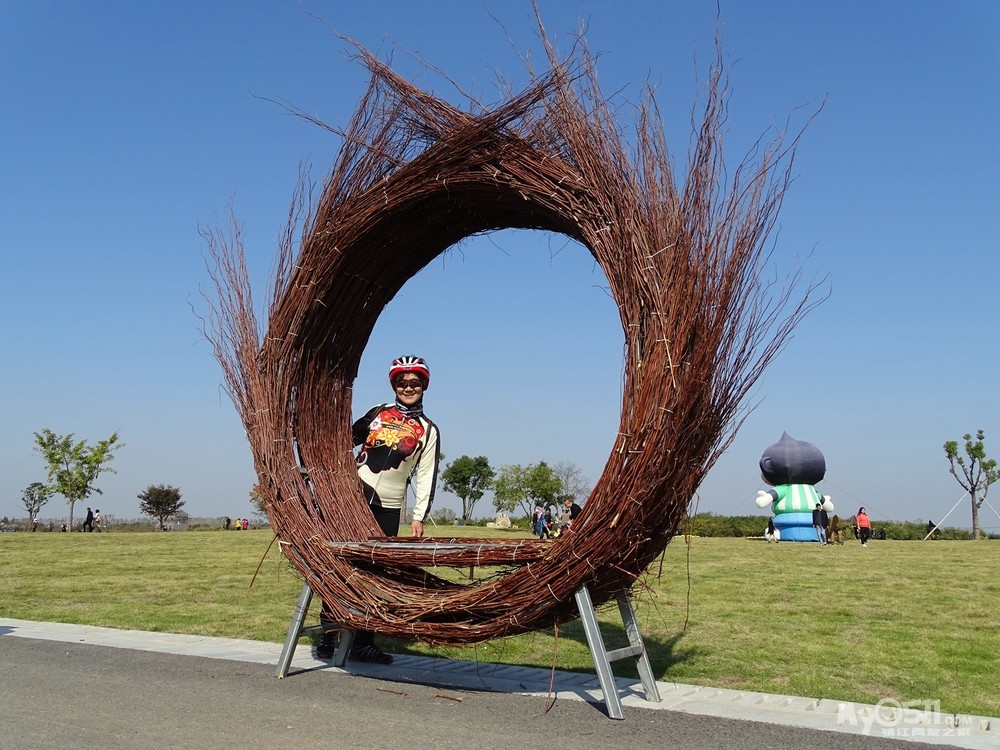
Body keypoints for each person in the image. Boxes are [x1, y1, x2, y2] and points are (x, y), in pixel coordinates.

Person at [317, 355, 440, 665]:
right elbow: (344, 440)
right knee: (340, 566)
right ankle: (329, 635)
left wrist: (418, 516)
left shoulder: (428, 430)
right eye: (402, 382)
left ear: (423, 385)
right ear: (394, 385)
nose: (408, 387)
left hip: (388, 506)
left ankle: (362, 643)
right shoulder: (377, 412)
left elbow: (426, 475)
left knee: (375, 573)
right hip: (353, 496)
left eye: (414, 382)